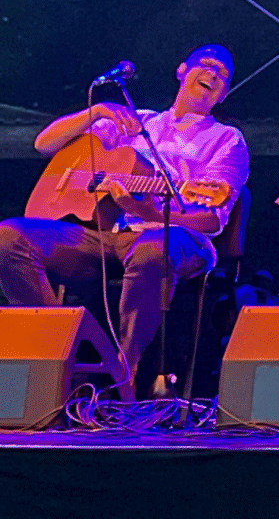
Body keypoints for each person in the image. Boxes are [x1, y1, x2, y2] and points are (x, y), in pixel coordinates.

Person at [0, 44, 249, 390]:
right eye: (206, 64)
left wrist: (150, 212)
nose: (213, 74)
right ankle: (54, 351)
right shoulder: (136, 122)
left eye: (223, 74)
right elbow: (45, 144)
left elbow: (213, 219)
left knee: (152, 247)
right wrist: (97, 111)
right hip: (106, 234)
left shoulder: (226, 139)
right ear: (181, 70)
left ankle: (124, 373)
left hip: (177, 237)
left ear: (224, 94)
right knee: (9, 238)